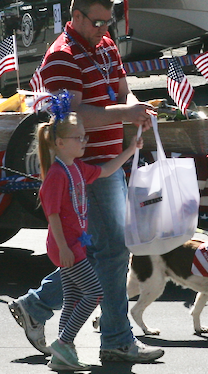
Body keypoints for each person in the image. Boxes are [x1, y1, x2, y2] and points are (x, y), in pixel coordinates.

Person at [9, 0, 164, 364]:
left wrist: (135, 107)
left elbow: (122, 91)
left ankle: (38, 305)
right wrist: (125, 114)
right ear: (74, 16)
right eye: (96, 22)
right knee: (110, 250)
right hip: (83, 167)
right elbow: (74, 116)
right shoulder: (61, 56)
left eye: (108, 22)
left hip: (110, 160)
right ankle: (114, 338)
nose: (103, 29)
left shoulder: (106, 44)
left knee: (97, 251)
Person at [38, 109, 143, 370]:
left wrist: (131, 149)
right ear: (60, 143)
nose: (84, 142)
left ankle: (62, 357)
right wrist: (63, 247)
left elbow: (106, 170)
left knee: (73, 297)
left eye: (84, 137)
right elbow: (52, 216)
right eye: (78, 138)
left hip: (75, 244)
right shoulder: (56, 174)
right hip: (65, 245)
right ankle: (64, 342)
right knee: (95, 292)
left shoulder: (77, 168)